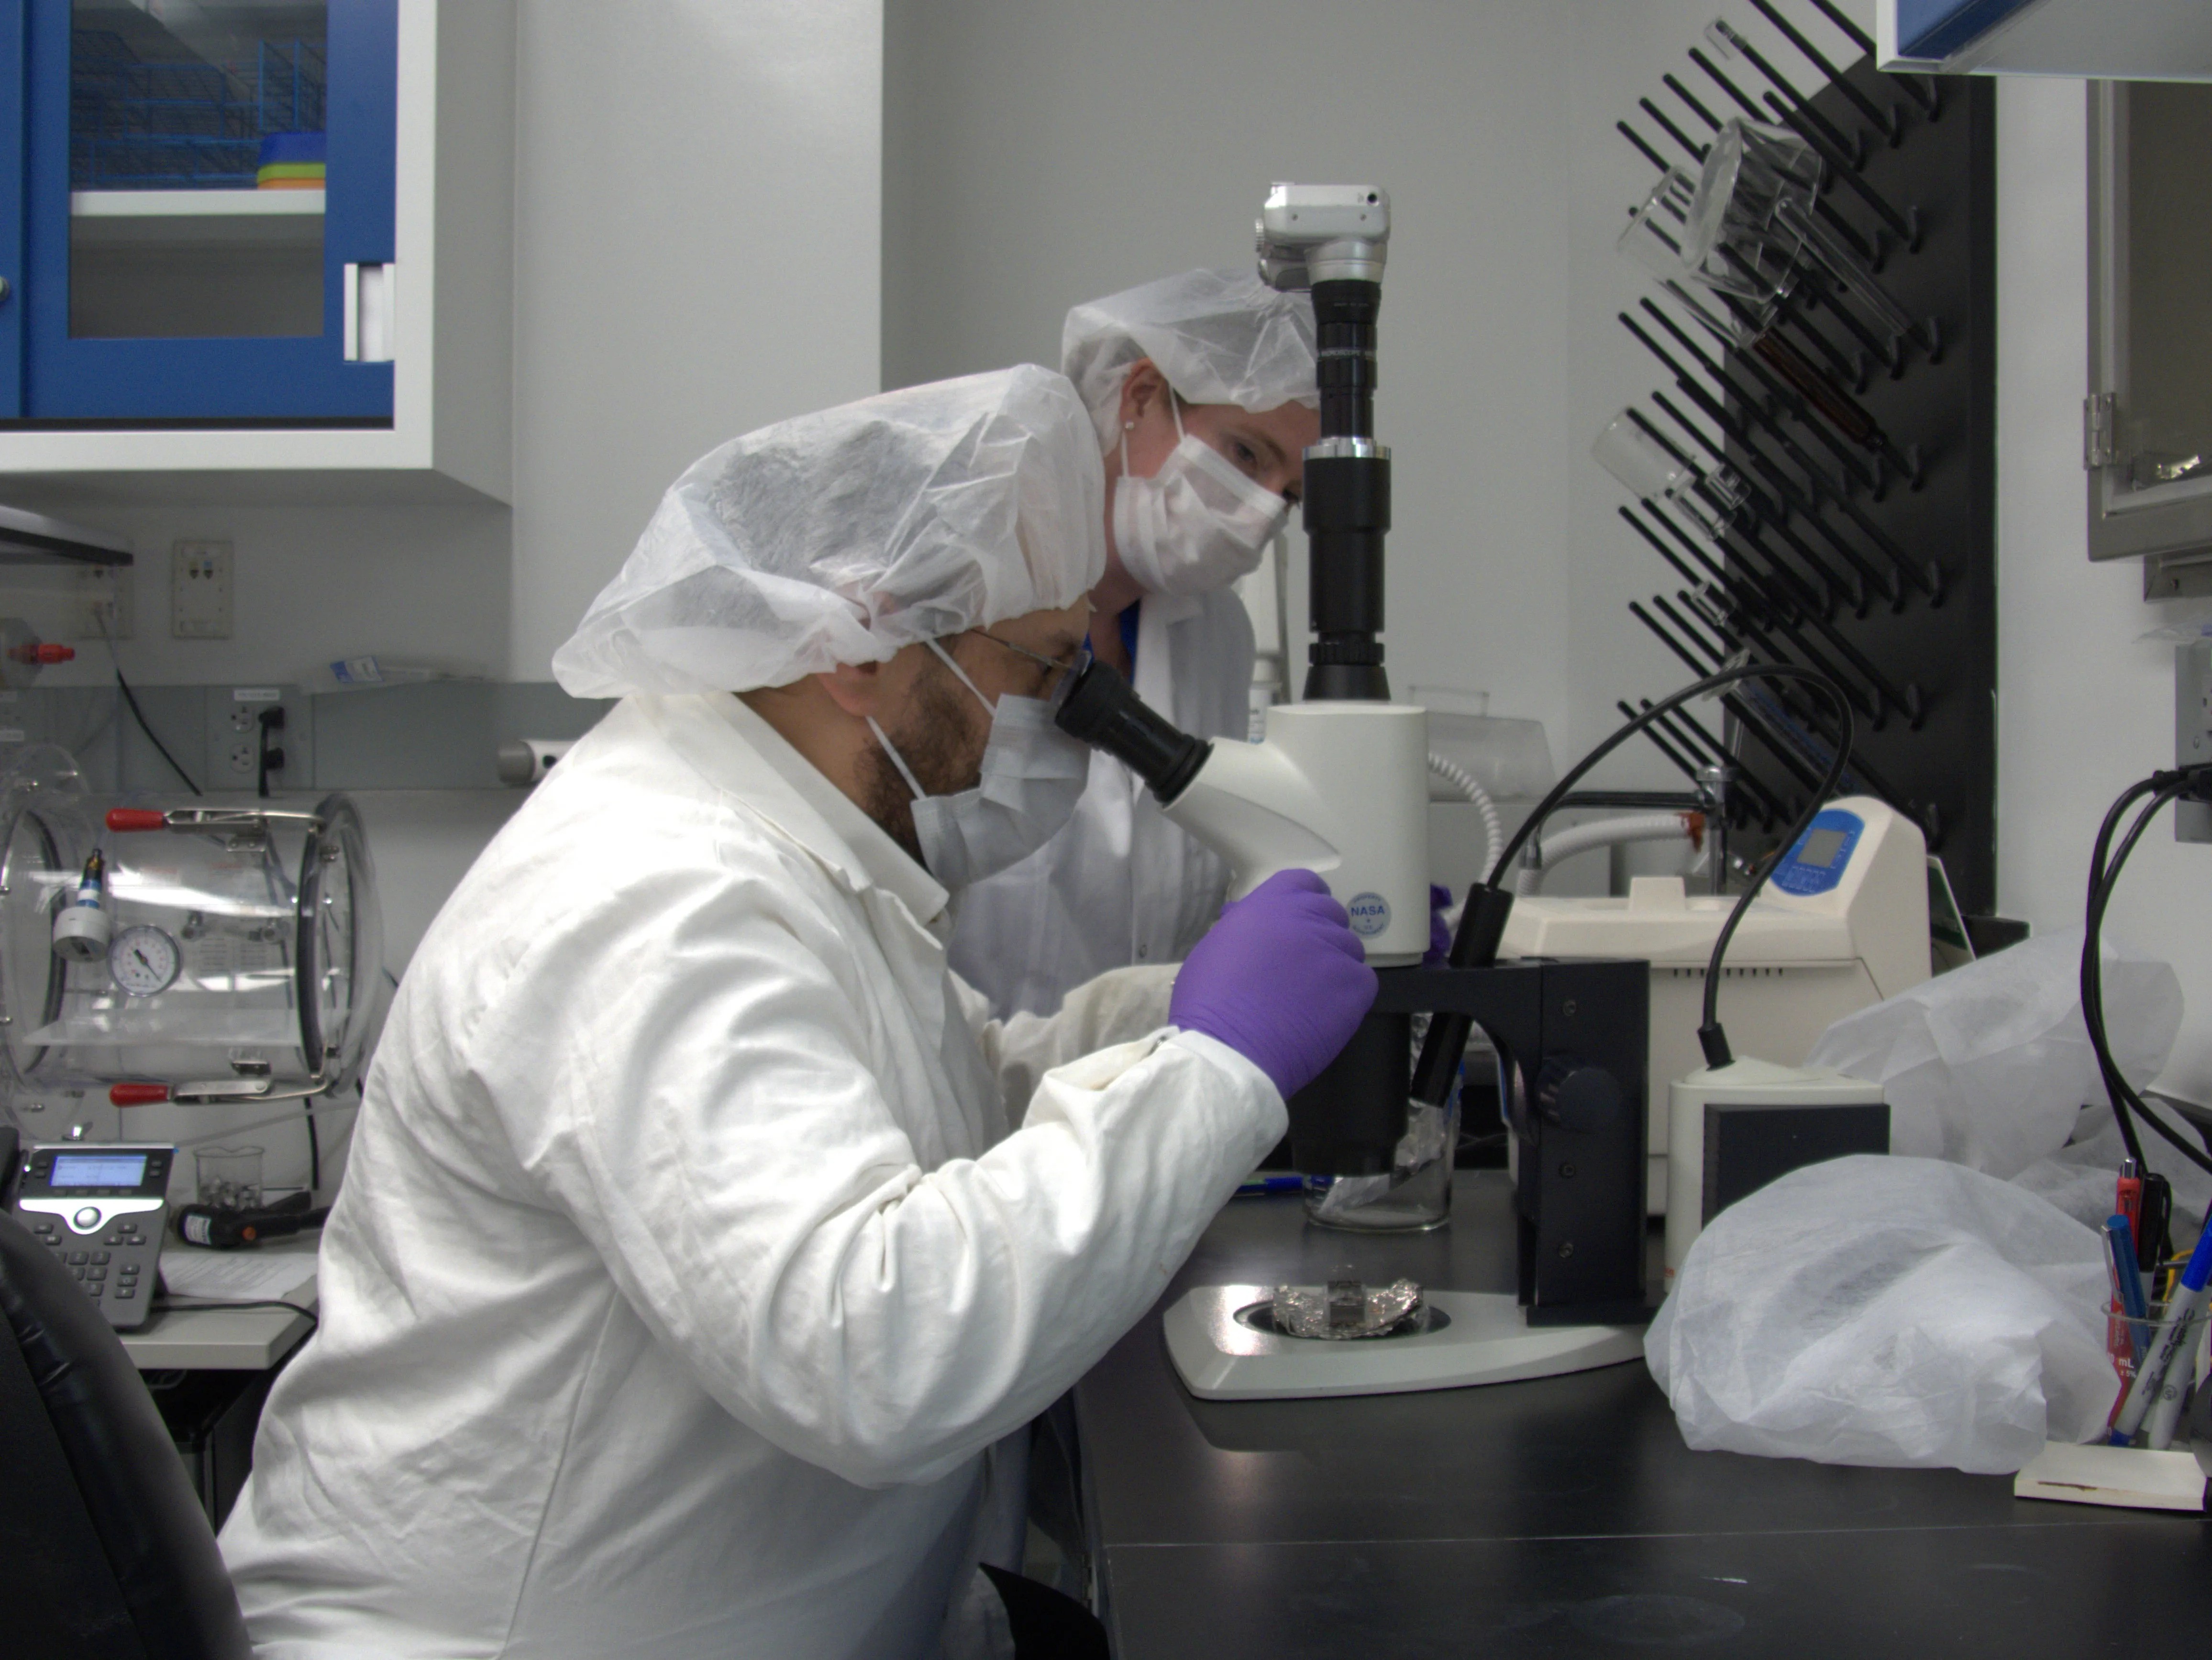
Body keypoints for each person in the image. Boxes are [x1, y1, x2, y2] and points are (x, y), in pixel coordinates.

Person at [216, 365, 1377, 1660]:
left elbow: (952, 1106)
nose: (1057, 719)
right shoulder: (656, 895)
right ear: (860, 645)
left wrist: (1186, 1006)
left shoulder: (789, 845)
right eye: (1039, 666)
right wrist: (1216, 1068)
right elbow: (872, 1342)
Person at [949, 269, 1321, 1018]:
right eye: (1247, 455)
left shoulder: (1216, 633)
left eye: (1288, 494)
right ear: (1141, 396)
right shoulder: (964, 588)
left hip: (1141, 1103)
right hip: (958, 1106)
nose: (1259, 517)